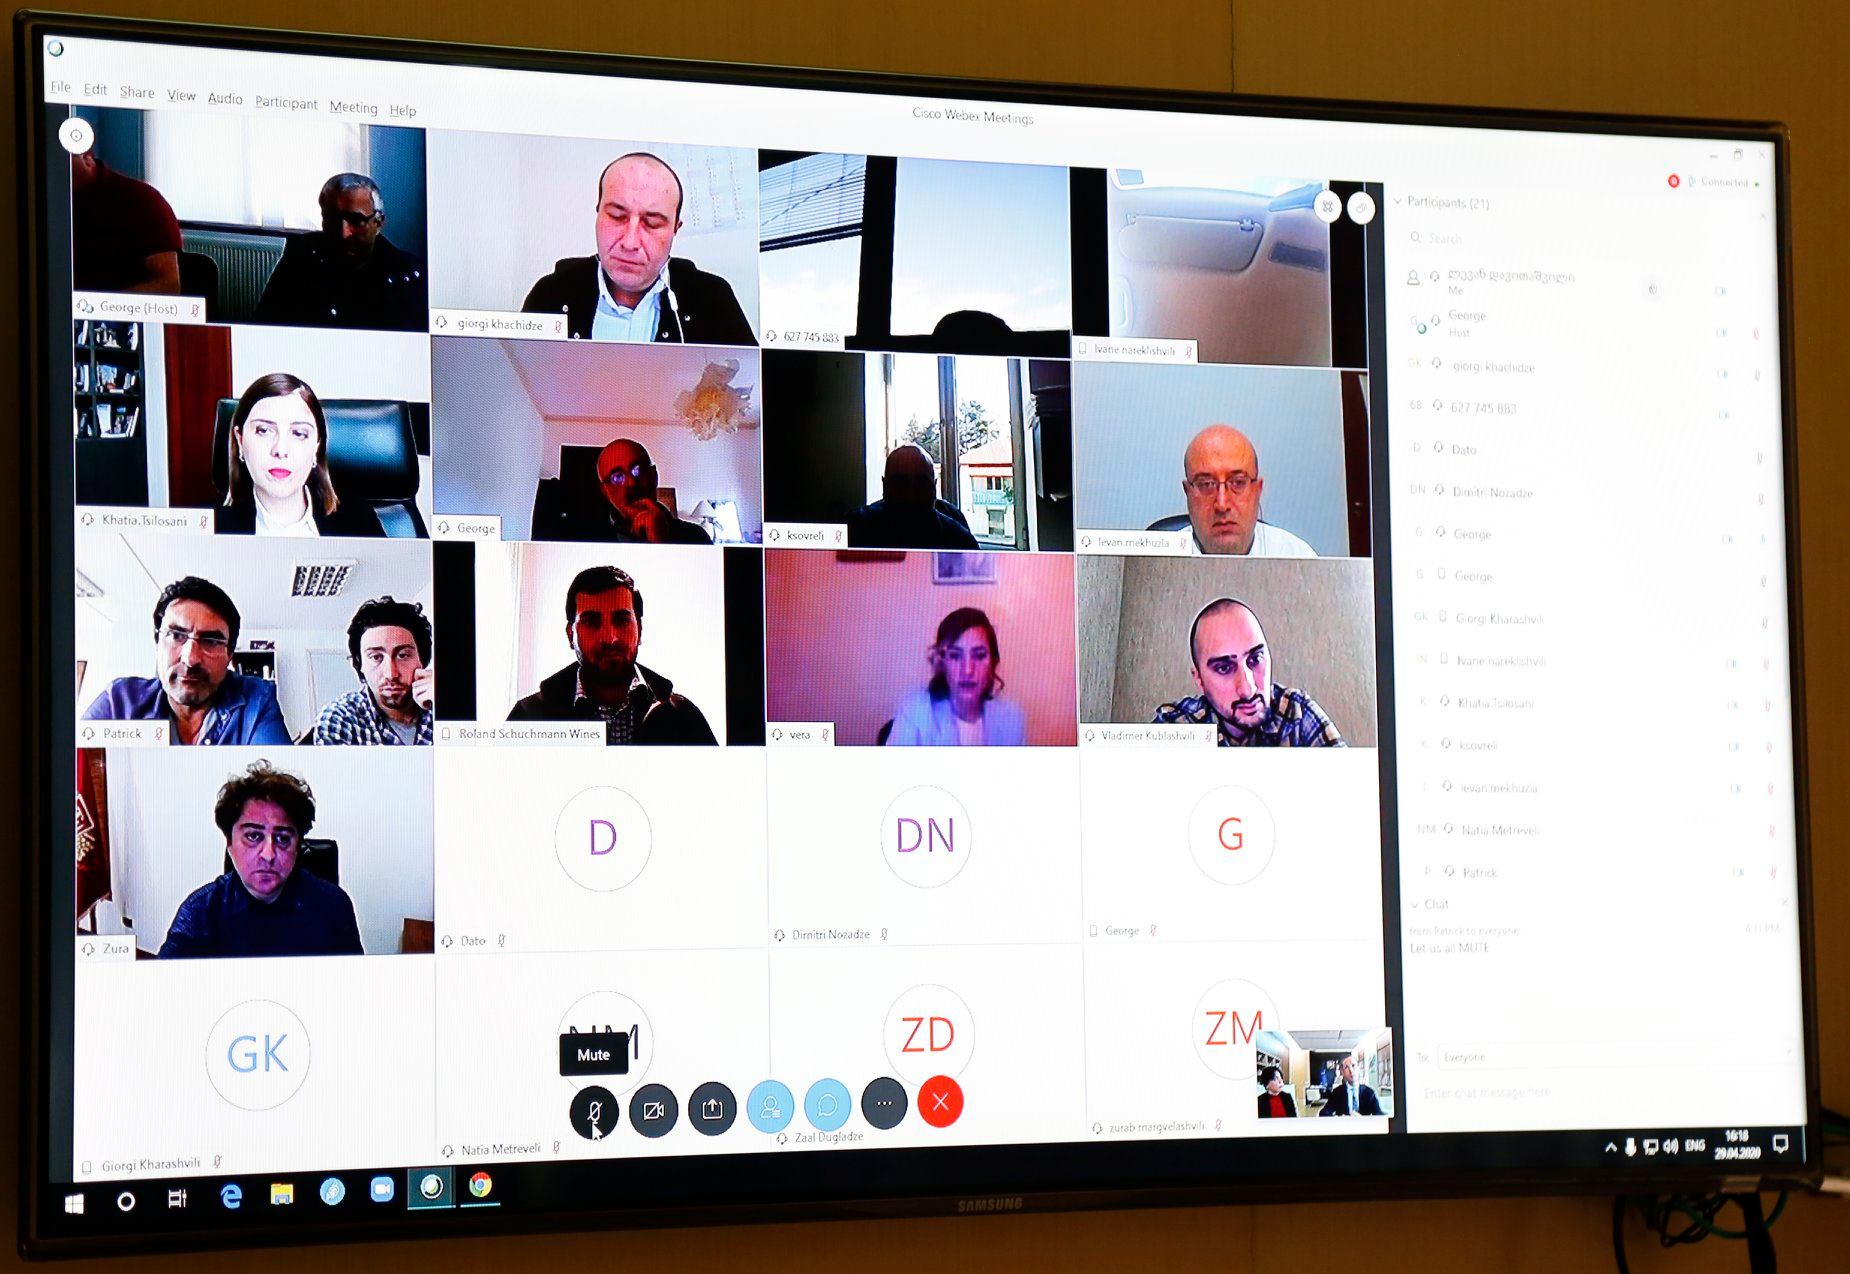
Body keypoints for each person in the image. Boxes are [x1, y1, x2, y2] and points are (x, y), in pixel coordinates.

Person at [521, 153, 755, 345]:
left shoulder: (713, 300)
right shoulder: (550, 294)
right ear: (598, 213)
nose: (630, 242)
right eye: (616, 216)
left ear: (675, 228)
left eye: (651, 223)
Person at [159, 761, 364, 958]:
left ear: (298, 847)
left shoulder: (334, 907)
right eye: (253, 836)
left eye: (283, 839)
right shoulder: (200, 911)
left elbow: (354, 979)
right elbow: (165, 979)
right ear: (230, 843)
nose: (268, 854)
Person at [507, 565, 717, 745]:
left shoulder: (683, 717)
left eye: (622, 621)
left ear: (640, 630)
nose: (610, 638)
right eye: (591, 622)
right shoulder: (528, 717)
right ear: (571, 635)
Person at [82, 576, 291, 746]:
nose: (190, 659)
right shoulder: (119, 701)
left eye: (211, 641)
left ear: (229, 655)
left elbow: (274, 778)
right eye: (176, 635)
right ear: (158, 643)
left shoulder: (257, 699)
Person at [1153, 597, 1345, 747]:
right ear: (1199, 680)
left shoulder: (1296, 713)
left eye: (1255, 659)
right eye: (1224, 668)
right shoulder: (1175, 728)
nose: (1248, 689)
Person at [214, 372, 384, 538]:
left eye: (299, 433)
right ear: (240, 440)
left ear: (316, 447)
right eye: (264, 430)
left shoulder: (359, 521)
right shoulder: (209, 526)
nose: (281, 450)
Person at [253, 173, 428, 330]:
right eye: (332, 219)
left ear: (378, 222)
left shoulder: (407, 274)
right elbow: (264, 325)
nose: (343, 233)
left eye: (356, 221)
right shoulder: (301, 255)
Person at [887, 607, 1026, 746]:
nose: (967, 670)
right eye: (955, 656)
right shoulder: (915, 711)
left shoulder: (1012, 719)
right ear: (942, 663)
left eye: (979, 656)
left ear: (992, 663)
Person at [1179, 424, 1317, 557]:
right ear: (1187, 492)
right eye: (1206, 484)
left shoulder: (1296, 557)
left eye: (1238, 482)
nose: (1222, 505)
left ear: (1257, 490)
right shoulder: (1167, 560)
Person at [540, 438, 713, 543]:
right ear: (605, 491)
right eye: (617, 477)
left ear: (654, 476)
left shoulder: (696, 537)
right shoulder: (582, 539)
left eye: (638, 470)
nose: (631, 483)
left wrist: (663, 544)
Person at [314, 596, 435, 745]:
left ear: (422, 660)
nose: (391, 674)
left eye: (403, 655)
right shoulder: (340, 718)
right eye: (376, 657)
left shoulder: (439, 704)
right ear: (360, 664)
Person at [70, 149, 181, 294]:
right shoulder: (48, 207)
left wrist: (104, 304)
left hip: (120, 306)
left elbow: (168, 284)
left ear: (87, 158)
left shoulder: (142, 200)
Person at [846, 445, 980, 550]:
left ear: (934, 486)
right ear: (885, 485)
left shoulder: (957, 535)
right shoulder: (854, 526)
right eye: (900, 483)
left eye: (922, 483)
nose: (911, 494)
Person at [1318, 1055, 1384, 1117]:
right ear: (1342, 1072)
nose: (1351, 1070)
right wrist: (1338, 1118)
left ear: (1358, 1069)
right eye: (1346, 1067)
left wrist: (1363, 1119)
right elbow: (1323, 1113)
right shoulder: (1337, 1092)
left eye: (1353, 1065)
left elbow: (1380, 1116)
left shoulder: (1370, 1093)